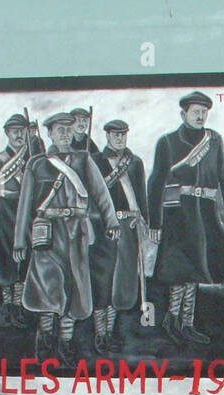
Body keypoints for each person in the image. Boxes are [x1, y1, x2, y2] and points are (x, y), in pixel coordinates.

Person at [13, 112, 120, 361]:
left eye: (68, 129)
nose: (64, 134)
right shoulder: (36, 164)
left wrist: (111, 220)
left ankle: (66, 342)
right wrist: (20, 239)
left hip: (75, 234)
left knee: (73, 291)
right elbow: (25, 204)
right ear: (49, 133)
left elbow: (101, 193)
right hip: (47, 234)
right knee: (47, 289)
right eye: (59, 129)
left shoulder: (83, 161)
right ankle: (45, 338)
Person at [148, 90, 224, 345]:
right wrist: (154, 222)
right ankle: (172, 319)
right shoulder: (168, 142)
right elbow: (156, 183)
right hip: (178, 212)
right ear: (183, 114)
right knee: (181, 269)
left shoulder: (214, 141)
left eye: (204, 112)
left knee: (196, 269)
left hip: (204, 211)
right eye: (196, 112)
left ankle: (187, 323)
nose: (201, 116)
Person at [89, 119, 149, 354]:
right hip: (104, 227)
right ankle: (99, 333)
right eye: (115, 135)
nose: (119, 139)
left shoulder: (134, 163)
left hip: (129, 226)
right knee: (103, 280)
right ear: (107, 136)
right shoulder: (96, 162)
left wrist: (145, 220)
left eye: (122, 135)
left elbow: (141, 195)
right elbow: (93, 196)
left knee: (121, 283)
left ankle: (109, 332)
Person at [0, 113, 38, 329]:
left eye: (22, 130)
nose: (19, 135)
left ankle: (19, 306)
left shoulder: (34, 159)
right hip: (4, 214)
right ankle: (7, 306)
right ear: (7, 133)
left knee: (25, 260)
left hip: (27, 215)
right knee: (5, 260)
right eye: (15, 131)